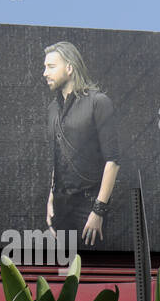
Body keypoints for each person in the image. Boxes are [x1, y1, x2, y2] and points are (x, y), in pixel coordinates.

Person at [43, 41, 120, 246]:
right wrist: (51, 197)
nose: (45, 73)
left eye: (51, 67)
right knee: (64, 272)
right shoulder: (53, 108)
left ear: (69, 68)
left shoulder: (98, 102)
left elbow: (113, 161)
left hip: (89, 205)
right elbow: (59, 157)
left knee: (91, 272)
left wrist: (98, 211)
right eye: (45, 67)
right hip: (61, 205)